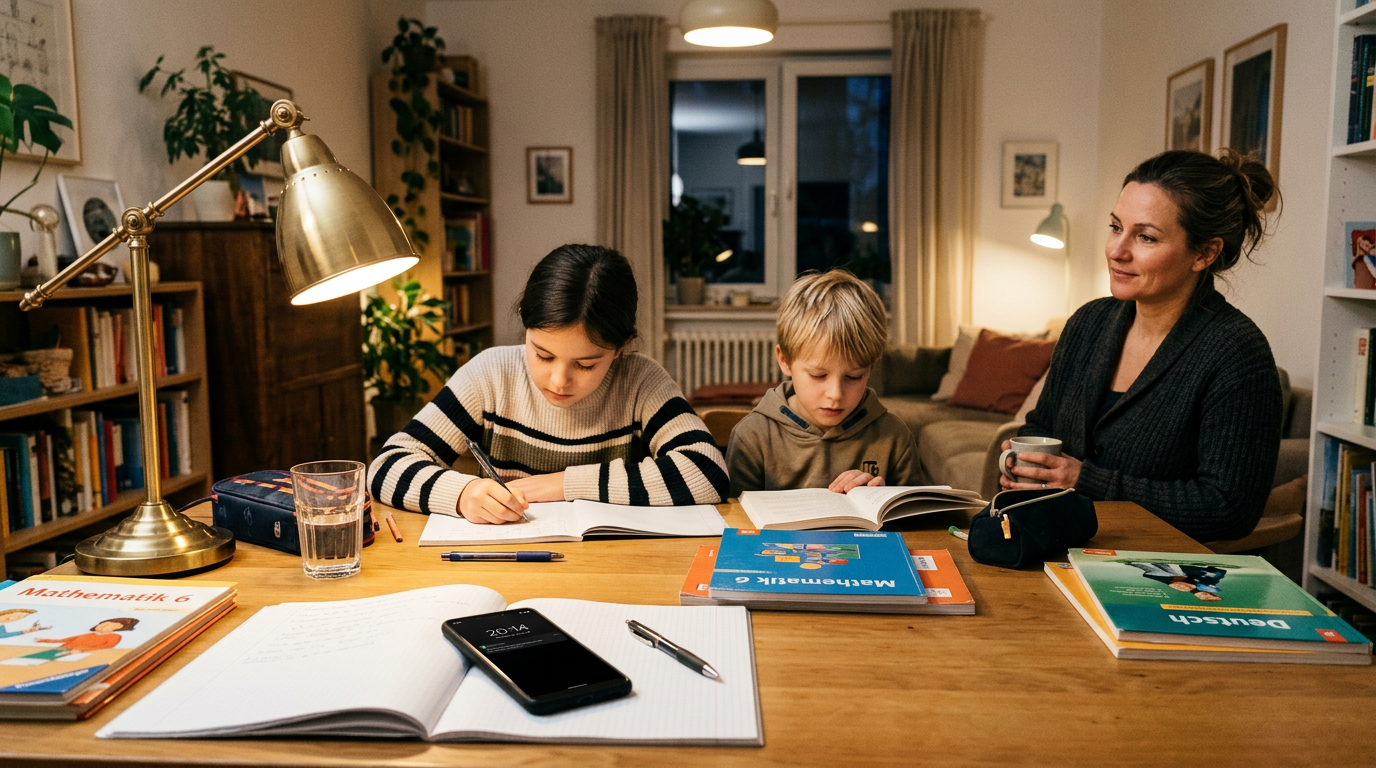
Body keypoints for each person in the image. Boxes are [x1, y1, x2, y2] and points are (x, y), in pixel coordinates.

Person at [1000, 149, 1283, 543]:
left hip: (1161, 578)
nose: (1117, 250)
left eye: (1146, 237)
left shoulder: (1236, 353)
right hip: (1059, 552)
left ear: (1205, 253)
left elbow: (1229, 510)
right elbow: (1043, 425)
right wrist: (1026, 462)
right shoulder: (1087, 323)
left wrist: (1086, 480)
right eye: (1116, 227)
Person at [368, 244, 728, 523]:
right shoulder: (492, 375)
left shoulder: (640, 381)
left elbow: (707, 472)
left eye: (586, 364)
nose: (559, 380)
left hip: (615, 567)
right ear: (525, 322)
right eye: (542, 355)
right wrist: (463, 493)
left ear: (621, 348)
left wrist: (562, 485)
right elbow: (386, 466)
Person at [727, 270, 918, 497]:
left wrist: (883, 499)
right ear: (784, 361)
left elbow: (919, 525)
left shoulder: (894, 437)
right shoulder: (753, 437)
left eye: (854, 376)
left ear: (871, 367)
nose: (835, 394)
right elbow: (736, 525)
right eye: (818, 375)